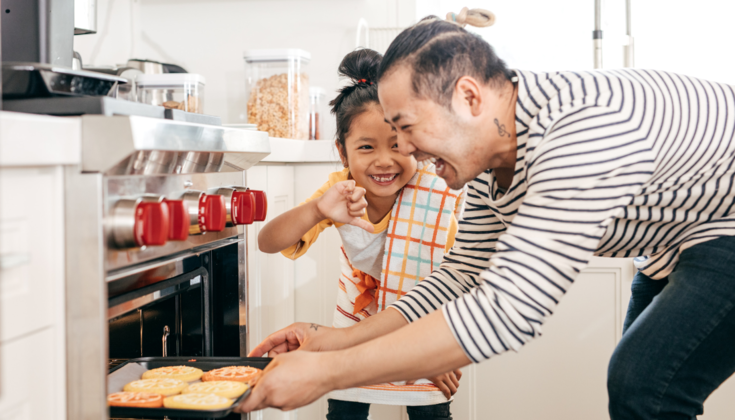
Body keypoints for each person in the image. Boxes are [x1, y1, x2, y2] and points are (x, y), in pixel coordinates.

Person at [240, 16, 735, 420]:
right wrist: (333, 341)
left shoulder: (579, 134)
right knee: (637, 392)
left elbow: (509, 310)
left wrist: (328, 374)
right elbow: (460, 276)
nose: (405, 149)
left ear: (469, 99)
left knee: (644, 386)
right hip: (677, 242)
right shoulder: (487, 163)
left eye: (407, 127)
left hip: (724, 226)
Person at [257, 48, 464, 420]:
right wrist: (317, 210)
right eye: (366, 147)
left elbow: (451, 281)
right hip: (354, 324)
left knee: (430, 411)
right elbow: (268, 242)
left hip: (425, 326)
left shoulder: (436, 192)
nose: (384, 161)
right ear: (342, 152)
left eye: (398, 146)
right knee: (345, 411)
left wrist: (430, 351)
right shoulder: (341, 191)